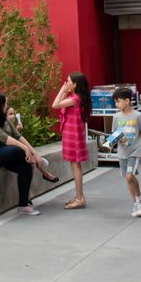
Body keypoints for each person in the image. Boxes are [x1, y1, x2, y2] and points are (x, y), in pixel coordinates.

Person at [52, 72, 91, 210]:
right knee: (74, 165)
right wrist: (64, 91)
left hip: (74, 136)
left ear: (75, 85)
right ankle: (78, 196)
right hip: (72, 135)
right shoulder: (75, 98)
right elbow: (60, 104)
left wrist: (62, 90)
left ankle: (80, 198)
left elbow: (55, 105)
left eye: (68, 82)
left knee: (75, 166)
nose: (65, 84)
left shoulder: (75, 99)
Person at [112, 87, 141, 216]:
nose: (116, 105)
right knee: (128, 179)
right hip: (122, 151)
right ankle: (135, 203)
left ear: (127, 101)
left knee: (130, 175)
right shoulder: (116, 117)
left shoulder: (138, 115)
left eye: (118, 101)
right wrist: (115, 141)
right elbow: (115, 134)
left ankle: (140, 199)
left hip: (135, 150)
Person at [7, 106, 59, 183]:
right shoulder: (4, 127)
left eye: (13, 114)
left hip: (17, 151)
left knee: (32, 159)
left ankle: (43, 172)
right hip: (9, 152)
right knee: (31, 159)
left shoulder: (11, 127)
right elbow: (9, 141)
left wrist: (17, 130)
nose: (13, 116)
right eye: (10, 114)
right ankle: (44, 173)